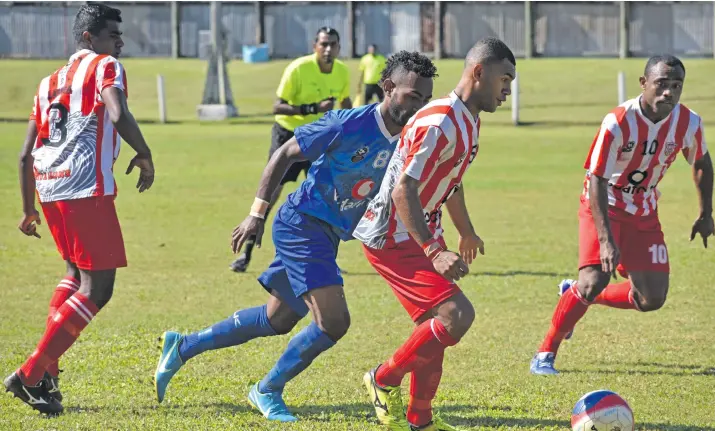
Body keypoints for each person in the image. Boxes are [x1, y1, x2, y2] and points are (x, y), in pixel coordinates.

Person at [155, 51, 437, 422]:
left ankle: (183, 345)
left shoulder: (409, 137)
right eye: (412, 96)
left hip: (328, 233)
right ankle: (266, 389)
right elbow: (284, 154)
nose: (419, 105)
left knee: (278, 319)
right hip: (302, 224)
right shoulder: (346, 125)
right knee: (334, 321)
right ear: (387, 88)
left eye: (425, 99)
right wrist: (256, 214)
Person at [354, 37, 516, 431]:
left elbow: (450, 182)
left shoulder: (467, 119)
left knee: (436, 327)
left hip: (418, 232)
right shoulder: (441, 119)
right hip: (393, 235)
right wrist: (433, 249)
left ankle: (420, 420)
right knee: (456, 316)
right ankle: (383, 377)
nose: (509, 89)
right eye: (505, 78)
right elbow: (403, 189)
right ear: (479, 73)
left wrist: (466, 232)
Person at [4, 3, 155, 415]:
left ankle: (46, 371)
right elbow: (118, 112)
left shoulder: (47, 82)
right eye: (112, 35)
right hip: (85, 188)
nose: (119, 43)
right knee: (98, 289)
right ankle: (31, 373)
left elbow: (23, 155)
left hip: (50, 191)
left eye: (120, 36)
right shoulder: (104, 66)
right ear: (89, 38)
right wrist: (144, 152)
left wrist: (27, 207)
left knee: (74, 275)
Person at [529, 55, 715, 375]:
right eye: (661, 84)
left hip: (644, 211)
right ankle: (545, 353)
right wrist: (606, 240)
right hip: (604, 203)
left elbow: (701, 163)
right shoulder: (617, 122)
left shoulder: (689, 123)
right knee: (594, 279)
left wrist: (706, 213)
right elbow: (598, 179)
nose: (669, 92)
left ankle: (576, 295)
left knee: (651, 298)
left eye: (676, 86)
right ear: (643, 84)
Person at [230, 26, 353, 273]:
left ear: (339, 48)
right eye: (324, 44)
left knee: (328, 197)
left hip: (318, 137)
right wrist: (310, 109)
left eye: (333, 45)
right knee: (271, 193)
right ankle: (246, 255)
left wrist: (353, 128)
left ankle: (327, 257)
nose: (328, 50)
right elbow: (278, 107)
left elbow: (346, 103)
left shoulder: (341, 71)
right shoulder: (298, 68)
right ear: (314, 46)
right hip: (289, 136)